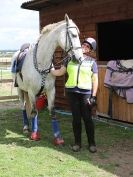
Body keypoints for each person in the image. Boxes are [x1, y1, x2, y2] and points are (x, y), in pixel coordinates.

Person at [50, 37, 98, 153]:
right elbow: (60, 72)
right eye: (84, 44)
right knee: (76, 119)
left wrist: (94, 96)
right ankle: (77, 143)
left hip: (85, 93)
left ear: (90, 50)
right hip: (72, 93)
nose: (84, 47)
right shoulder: (70, 59)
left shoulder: (92, 62)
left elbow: (95, 80)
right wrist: (50, 69)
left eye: (88, 47)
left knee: (87, 119)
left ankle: (92, 143)